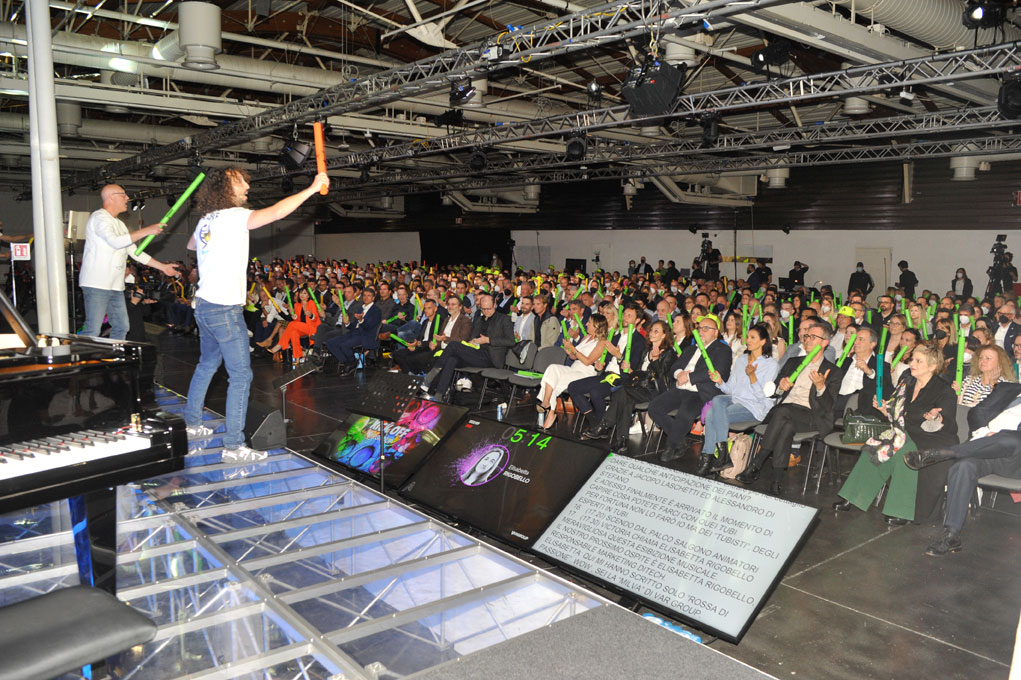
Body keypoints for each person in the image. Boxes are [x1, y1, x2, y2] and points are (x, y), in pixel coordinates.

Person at [183, 168, 329, 457]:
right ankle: (234, 445)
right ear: (226, 186)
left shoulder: (206, 219)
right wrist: (313, 188)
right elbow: (275, 213)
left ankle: (192, 423)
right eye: (241, 181)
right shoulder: (234, 216)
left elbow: (191, 245)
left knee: (206, 365)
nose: (248, 186)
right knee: (241, 376)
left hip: (203, 306)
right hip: (224, 308)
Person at [833, 342, 959, 524]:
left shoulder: (944, 390)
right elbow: (897, 411)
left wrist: (936, 417)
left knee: (903, 448)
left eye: (918, 361)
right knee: (876, 444)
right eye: (912, 359)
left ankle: (901, 510)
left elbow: (946, 422)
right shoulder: (907, 381)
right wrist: (885, 409)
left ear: (932, 366)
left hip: (933, 438)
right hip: (906, 432)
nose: (912, 363)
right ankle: (853, 496)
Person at [905, 382, 1021, 555]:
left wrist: (1000, 435)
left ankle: (942, 454)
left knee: (1012, 439)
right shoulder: (1007, 388)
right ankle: (952, 535)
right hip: (983, 447)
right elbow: (975, 414)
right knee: (963, 467)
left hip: (1014, 458)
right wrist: (984, 433)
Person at [737, 320, 841, 495]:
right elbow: (774, 392)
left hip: (811, 416)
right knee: (786, 425)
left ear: (824, 343)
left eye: (812, 337)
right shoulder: (793, 362)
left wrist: (821, 387)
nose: (807, 339)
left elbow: (830, 405)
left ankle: (757, 463)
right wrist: (780, 386)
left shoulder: (833, 370)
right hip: (786, 414)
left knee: (783, 412)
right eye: (806, 336)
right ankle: (776, 481)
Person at [80, 184, 180, 339]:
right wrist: (147, 230)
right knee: (93, 328)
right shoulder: (99, 218)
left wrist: (162, 267)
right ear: (111, 197)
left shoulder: (119, 224)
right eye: (123, 194)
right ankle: (84, 362)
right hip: (96, 284)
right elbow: (115, 241)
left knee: (122, 326)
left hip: (115, 286)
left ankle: (113, 359)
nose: (127, 198)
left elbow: (134, 252)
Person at [582, 320, 678, 454]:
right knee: (624, 396)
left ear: (664, 335)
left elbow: (661, 376)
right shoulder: (646, 350)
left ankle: (605, 426)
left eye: (656, 331)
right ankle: (621, 440)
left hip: (654, 390)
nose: (652, 333)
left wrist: (655, 360)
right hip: (637, 388)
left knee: (622, 392)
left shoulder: (669, 353)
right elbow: (639, 373)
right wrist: (630, 369)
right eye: (651, 330)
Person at [648, 314, 733, 463]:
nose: (701, 331)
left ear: (716, 332)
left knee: (685, 414)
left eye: (706, 329)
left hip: (700, 392)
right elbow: (675, 366)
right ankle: (681, 442)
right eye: (700, 328)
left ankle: (671, 446)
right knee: (654, 407)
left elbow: (719, 371)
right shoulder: (692, 348)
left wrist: (689, 377)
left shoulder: (722, 349)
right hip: (681, 388)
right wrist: (679, 373)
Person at [697, 323, 778, 475]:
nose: (748, 340)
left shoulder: (771, 365)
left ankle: (708, 456)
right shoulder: (741, 360)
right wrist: (720, 381)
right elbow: (731, 390)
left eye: (753, 337)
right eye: (748, 336)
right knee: (718, 400)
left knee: (711, 415)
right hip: (735, 400)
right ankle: (722, 455)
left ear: (763, 341)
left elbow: (763, 397)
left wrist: (752, 376)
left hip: (755, 407)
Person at [420, 294, 514, 399]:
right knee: (452, 359)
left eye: (489, 308)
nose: (486, 311)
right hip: (476, 353)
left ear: (495, 305)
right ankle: (439, 395)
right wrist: (473, 341)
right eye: (483, 309)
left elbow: (510, 341)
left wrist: (488, 340)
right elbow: (471, 337)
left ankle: (433, 373)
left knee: (453, 345)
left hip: (491, 357)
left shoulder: (504, 319)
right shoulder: (479, 320)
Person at [537, 314, 609, 430]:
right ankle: (547, 402)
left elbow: (587, 361)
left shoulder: (602, 342)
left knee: (555, 381)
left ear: (596, 326)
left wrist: (573, 349)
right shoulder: (586, 337)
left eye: (589, 322)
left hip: (585, 373)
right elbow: (574, 357)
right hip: (574, 368)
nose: (586, 324)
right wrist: (569, 351)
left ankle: (551, 410)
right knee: (552, 368)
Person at [324, 287, 382, 375]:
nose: (366, 297)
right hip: (353, 333)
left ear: (373, 298)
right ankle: (349, 362)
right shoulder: (361, 309)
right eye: (364, 295)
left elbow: (369, 327)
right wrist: (347, 323)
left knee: (344, 346)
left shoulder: (376, 311)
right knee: (330, 343)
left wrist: (361, 320)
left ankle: (351, 363)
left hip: (365, 335)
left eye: (369, 296)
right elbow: (353, 326)